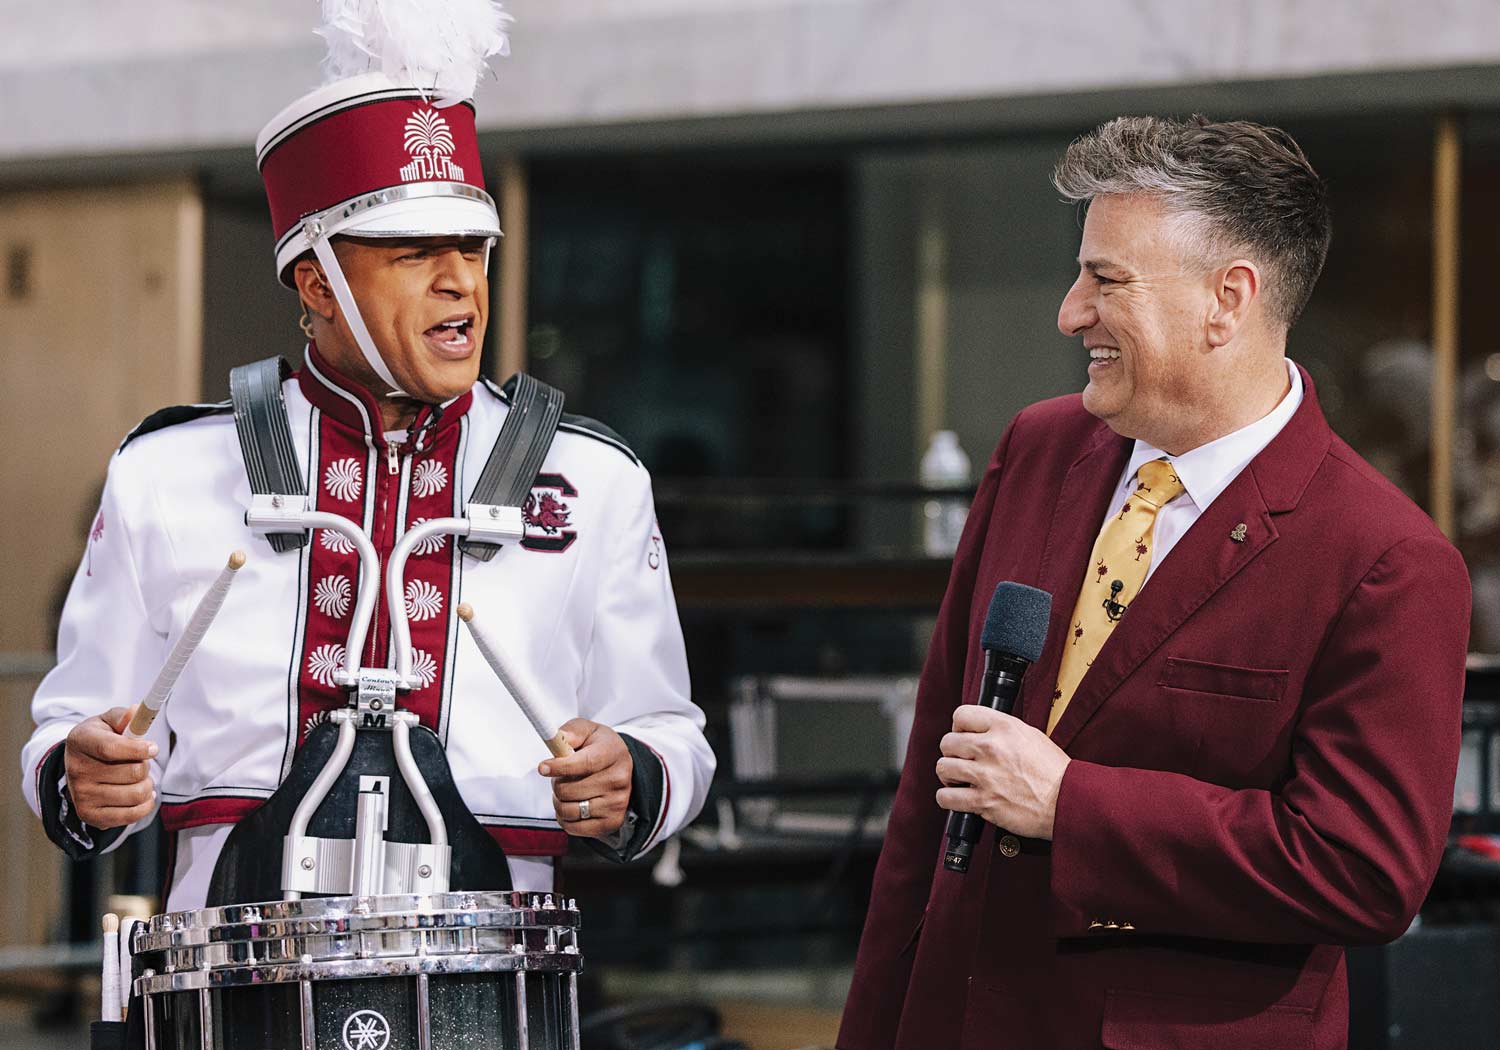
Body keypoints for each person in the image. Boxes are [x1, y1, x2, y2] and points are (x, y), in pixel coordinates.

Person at [20, 7, 714, 912]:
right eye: (415, 251)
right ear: (318, 284)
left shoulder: (597, 481)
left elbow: (673, 732)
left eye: (472, 247)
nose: (460, 278)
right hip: (231, 967)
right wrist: (81, 773)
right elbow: (67, 724)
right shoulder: (166, 471)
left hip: (495, 971)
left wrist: (638, 775)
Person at [839, 116, 1469, 1049]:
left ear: (1229, 300)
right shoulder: (1036, 449)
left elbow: (1363, 870)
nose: (1069, 312)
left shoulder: (1387, 561)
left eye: (1106, 280)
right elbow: (930, 790)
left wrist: (1074, 806)